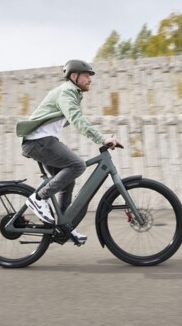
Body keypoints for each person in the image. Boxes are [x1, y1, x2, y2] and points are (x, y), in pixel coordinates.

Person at [15, 59, 122, 244]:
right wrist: (102, 138)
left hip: (43, 140)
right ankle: (39, 199)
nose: (90, 80)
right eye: (87, 75)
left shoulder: (71, 93)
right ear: (74, 76)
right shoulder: (67, 92)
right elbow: (77, 119)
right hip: (38, 141)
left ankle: (64, 227)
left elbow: (76, 118)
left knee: (67, 182)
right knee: (77, 165)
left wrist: (101, 136)